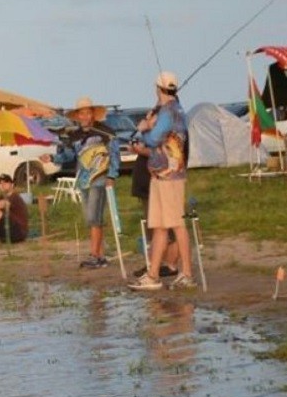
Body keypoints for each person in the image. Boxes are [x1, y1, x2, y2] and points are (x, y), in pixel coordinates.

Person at [128, 71, 196, 290]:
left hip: (170, 175)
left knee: (176, 223)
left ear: (158, 89)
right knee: (158, 226)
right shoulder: (174, 110)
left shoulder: (169, 112)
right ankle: (153, 275)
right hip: (159, 173)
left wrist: (144, 128)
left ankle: (186, 273)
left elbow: (154, 138)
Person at [40, 97, 120, 269]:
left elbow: (114, 154)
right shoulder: (74, 136)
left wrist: (112, 176)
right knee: (91, 218)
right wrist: (52, 158)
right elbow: (69, 156)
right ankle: (100, 255)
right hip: (83, 180)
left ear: (93, 114)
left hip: (100, 177)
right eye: (82, 113)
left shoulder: (105, 132)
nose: (85, 116)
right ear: (78, 116)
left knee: (94, 217)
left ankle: (94, 255)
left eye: (88, 112)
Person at [130, 106, 182, 279]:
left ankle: (170, 264)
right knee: (153, 228)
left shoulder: (164, 133)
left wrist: (142, 148)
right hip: (146, 184)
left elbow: (160, 153)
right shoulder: (152, 135)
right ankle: (155, 264)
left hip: (162, 181)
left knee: (168, 227)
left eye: (151, 117)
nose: (148, 118)